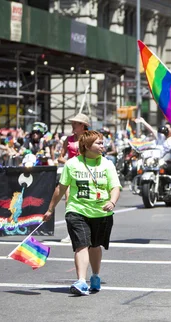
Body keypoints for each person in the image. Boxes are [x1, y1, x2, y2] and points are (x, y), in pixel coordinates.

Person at [43, 130, 121, 296]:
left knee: (95, 246)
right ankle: (81, 281)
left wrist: (112, 202)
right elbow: (61, 188)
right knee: (82, 244)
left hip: (101, 213)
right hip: (77, 210)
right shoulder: (72, 164)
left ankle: (95, 276)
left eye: (102, 143)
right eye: (99, 143)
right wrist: (50, 209)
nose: (103, 145)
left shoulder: (107, 164)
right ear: (86, 146)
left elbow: (115, 187)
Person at [57, 113, 90, 243]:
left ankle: (86, 230)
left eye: (75, 123)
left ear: (83, 126)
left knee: (85, 201)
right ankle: (71, 233)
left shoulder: (88, 139)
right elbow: (60, 157)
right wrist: (68, 163)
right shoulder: (68, 140)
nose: (73, 125)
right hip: (70, 173)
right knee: (68, 202)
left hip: (85, 173)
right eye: (73, 123)